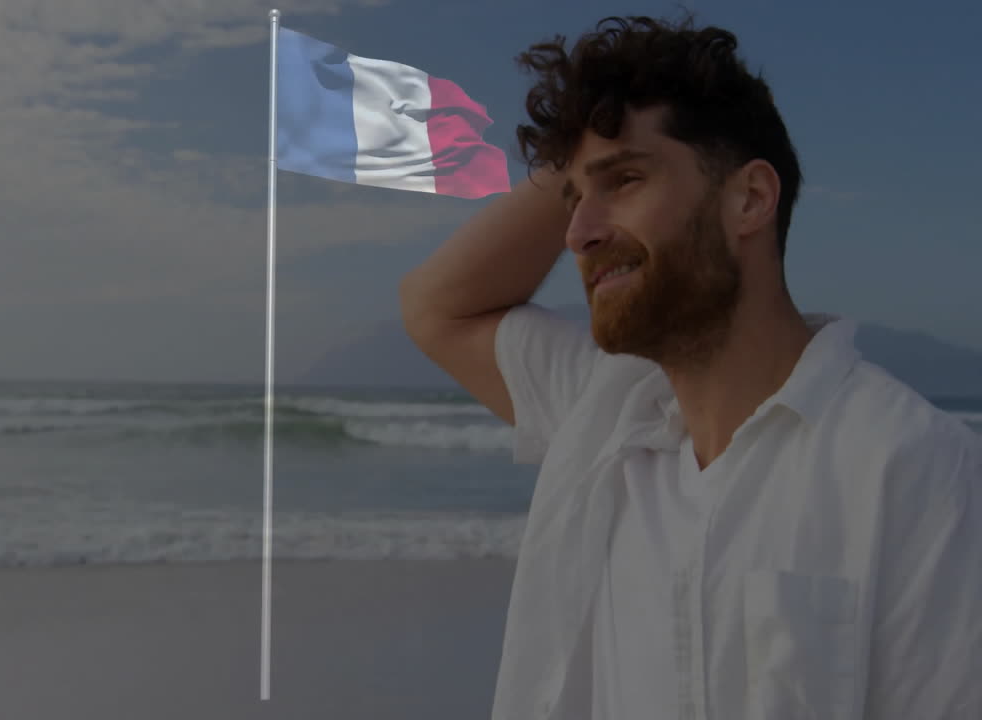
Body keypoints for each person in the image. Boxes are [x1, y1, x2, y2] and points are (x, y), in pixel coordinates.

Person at [399, 12, 981, 720]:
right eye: (574, 199)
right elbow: (436, 307)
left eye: (626, 180)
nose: (577, 234)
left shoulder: (918, 468)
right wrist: (582, 145)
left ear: (750, 199)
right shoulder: (603, 417)